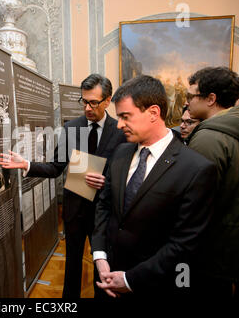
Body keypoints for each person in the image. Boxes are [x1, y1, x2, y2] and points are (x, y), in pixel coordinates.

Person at [0, 74, 126, 298]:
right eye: (84, 101)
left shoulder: (121, 131)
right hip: (75, 210)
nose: (87, 107)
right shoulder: (71, 128)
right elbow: (56, 167)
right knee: (72, 264)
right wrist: (26, 164)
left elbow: (126, 175)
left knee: (102, 265)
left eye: (93, 102)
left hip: (104, 213)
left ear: (107, 100)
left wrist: (108, 182)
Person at [91, 75, 217, 300]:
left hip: (153, 287)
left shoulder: (196, 169)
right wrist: (99, 256)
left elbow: (184, 244)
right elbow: (104, 206)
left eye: (125, 116)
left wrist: (130, 280)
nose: (119, 125)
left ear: (153, 113)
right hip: (106, 278)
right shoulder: (120, 153)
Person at [186, 66, 239, 299]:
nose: (186, 102)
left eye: (190, 96)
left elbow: (194, 202)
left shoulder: (209, 138)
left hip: (211, 250)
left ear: (211, 99)